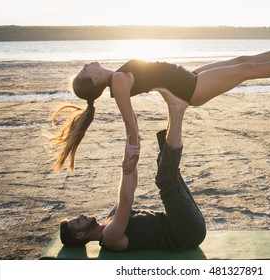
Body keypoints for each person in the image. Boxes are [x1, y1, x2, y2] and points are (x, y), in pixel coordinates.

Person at [49, 26, 270, 173]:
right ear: (95, 80)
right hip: (192, 88)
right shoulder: (119, 82)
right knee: (247, 70)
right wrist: (131, 156)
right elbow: (131, 124)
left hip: (189, 77)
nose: (87, 64)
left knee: (243, 61)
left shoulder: (119, 78)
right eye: (85, 70)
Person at [59, 96, 206, 251]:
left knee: (166, 165)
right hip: (185, 234)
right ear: (80, 236)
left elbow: (131, 186)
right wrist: (126, 162)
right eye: (77, 222)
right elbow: (126, 200)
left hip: (183, 223)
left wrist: (131, 139)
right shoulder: (110, 238)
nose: (81, 216)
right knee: (165, 179)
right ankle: (177, 109)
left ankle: (175, 102)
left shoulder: (112, 216)